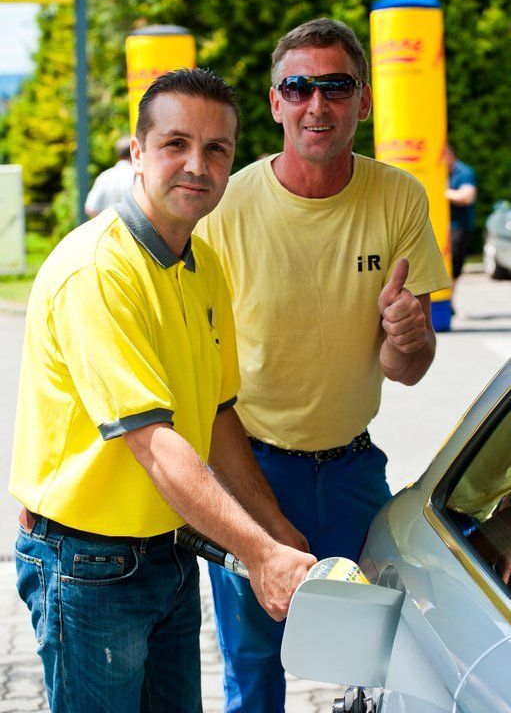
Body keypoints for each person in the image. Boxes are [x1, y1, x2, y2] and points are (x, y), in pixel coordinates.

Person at [9, 68, 316, 713]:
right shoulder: (98, 270)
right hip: (87, 564)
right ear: (138, 153)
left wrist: (276, 528)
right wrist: (260, 555)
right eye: (176, 143)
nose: (197, 165)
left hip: (170, 552)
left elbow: (218, 416)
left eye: (216, 149)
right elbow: (153, 441)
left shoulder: (201, 265)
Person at [196, 18, 451, 712]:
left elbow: (407, 368)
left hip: (351, 470)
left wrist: (407, 335)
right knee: (254, 669)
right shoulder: (226, 207)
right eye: (298, 87)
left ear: (363, 101)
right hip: (251, 469)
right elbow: (197, 373)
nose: (317, 104)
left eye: (335, 86)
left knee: (391, 655)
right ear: (274, 103)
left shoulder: (399, 196)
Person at [445, 144, 477, 282]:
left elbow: (467, 197)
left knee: (454, 265)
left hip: (459, 226)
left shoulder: (464, 172)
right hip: (445, 225)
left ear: (450, 155)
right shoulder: (441, 172)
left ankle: (450, 294)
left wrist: (441, 192)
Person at [84, 134, 134, 217]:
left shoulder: (104, 176)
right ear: (135, 151)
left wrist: (106, 220)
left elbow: (90, 208)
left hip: (108, 224)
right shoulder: (138, 176)